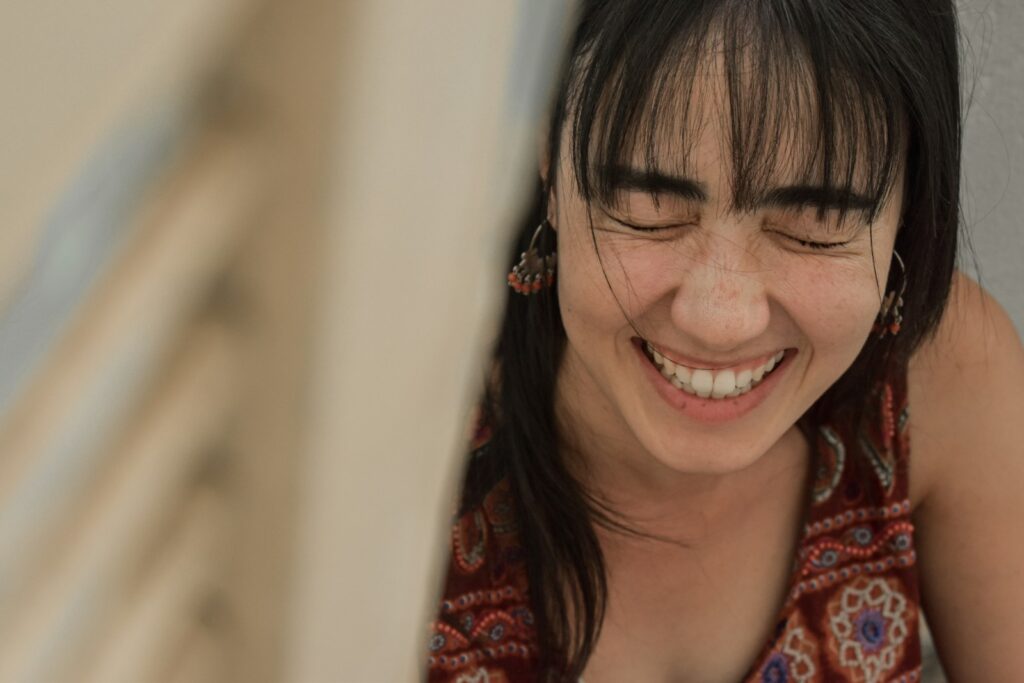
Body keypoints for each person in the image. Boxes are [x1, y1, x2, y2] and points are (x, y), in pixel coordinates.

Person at [427, 1, 1024, 681]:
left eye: (813, 224)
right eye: (651, 210)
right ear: (546, 156)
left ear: (906, 208)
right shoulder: (396, 433)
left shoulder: (948, 379)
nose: (721, 318)